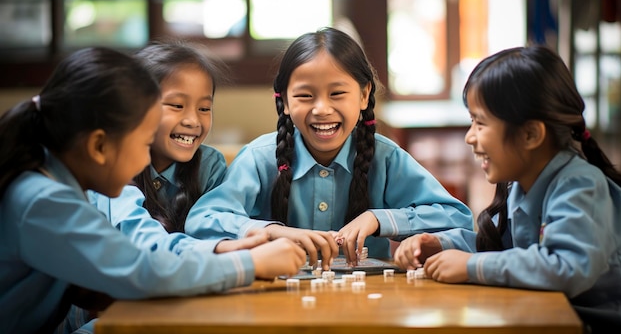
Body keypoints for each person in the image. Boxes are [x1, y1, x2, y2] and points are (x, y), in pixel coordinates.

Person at [0, 47, 306, 334]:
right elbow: (141, 265)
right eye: (145, 143)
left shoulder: (52, 185)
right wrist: (250, 264)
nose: (146, 158)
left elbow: (139, 261)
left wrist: (225, 249)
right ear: (99, 146)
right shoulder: (45, 200)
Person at [185, 27, 473, 269]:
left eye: (337, 94)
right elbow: (202, 219)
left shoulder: (385, 157)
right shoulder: (260, 159)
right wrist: (272, 232)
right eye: (305, 96)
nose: (322, 109)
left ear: (363, 95)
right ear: (284, 101)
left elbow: (457, 218)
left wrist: (378, 219)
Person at [393, 45, 621, 333]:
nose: (469, 137)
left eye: (480, 123)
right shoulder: (522, 183)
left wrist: (471, 267)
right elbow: (500, 246)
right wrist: (440, 244)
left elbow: (567, 267)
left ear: (530, 134)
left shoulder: (578, 184)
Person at [59, 40, 274, 334]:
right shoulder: (114, 166)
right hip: (99, 315)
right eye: (176, 105)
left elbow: (216, 226)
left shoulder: (209, 165)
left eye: (204, 108)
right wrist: (239, 256)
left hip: (170, 302)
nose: (192, 120)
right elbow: (146, 245)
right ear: (137, 108)